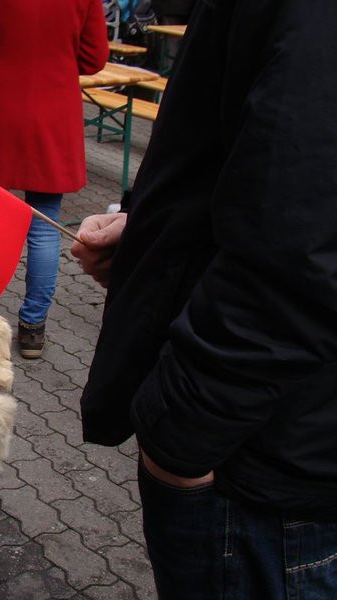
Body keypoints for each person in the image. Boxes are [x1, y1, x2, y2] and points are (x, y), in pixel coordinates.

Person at [71, 1, 337, 598]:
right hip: (265, 442)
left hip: (266, 467)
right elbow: (236, 153)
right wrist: (151, 241)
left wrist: (178, 441)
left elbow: (303, 244)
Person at [0, 0, 109, 359]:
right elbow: (95, 57)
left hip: (1, 102)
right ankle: (33, 329)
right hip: (55, 107)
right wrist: (59, 62)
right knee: (44, 226)